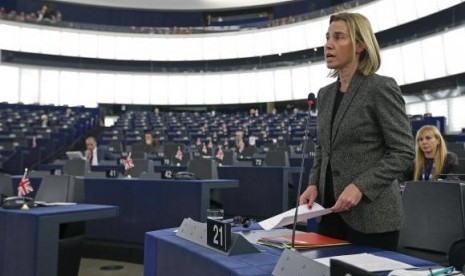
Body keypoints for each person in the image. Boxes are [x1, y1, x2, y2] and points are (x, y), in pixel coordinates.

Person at [298, 12, 415, 251]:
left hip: (373, 220)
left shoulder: (380, 88)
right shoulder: (325, 94)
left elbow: (403, 151)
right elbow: (324, 147)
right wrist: (314, 185)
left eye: (339, 37)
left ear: (360, 45)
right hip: (331, 214)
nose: (328, 45)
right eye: (327, 37)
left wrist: (360, 186)